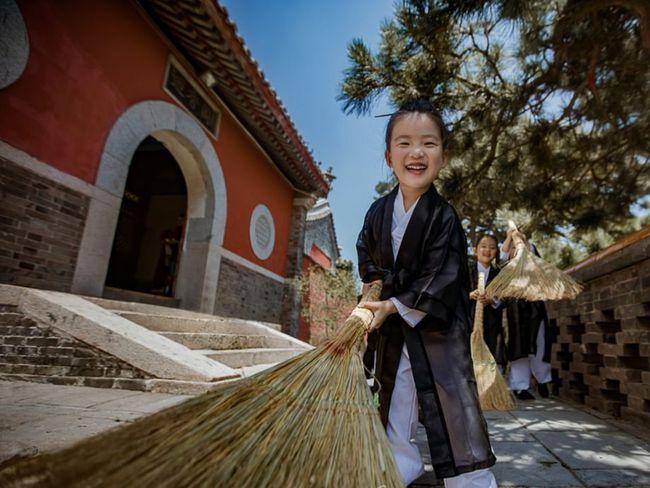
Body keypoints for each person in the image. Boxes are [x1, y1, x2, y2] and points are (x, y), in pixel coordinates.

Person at [357, 100, 497, 487]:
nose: (416, 152)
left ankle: (471, 479)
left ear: (443, 156)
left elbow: (444, 273)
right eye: (403, 143)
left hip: (434, 325)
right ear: (389, 157)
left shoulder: (444, 217)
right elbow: (367, 257)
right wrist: (374, 294)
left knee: (454, 402)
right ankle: (401, 464)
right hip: (391, 327)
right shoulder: (377, 213)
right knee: (396, 393)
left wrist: (396, 303)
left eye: (428, 143)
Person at [500, 229, 552, 400]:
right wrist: (509, 237)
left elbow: (538, 263)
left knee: (540, 342)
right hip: (516, 305)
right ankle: (520, 386)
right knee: (519, 345)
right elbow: (502, 257)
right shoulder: (508, 254)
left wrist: (523, 240)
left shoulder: (531, 249)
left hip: (535, 302)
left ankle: (543, 380)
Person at [468, 234, 506, 369]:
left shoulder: (499, 273)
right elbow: (455, 293)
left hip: (492, 325)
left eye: (492, 248)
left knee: (489, 362)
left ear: (496, 252)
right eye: (483, 246)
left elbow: (505, 299)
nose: (487, 250)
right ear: (475, 249)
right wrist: (470, 294)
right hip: (468, 323)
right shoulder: (466, 270)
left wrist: (492, 300)